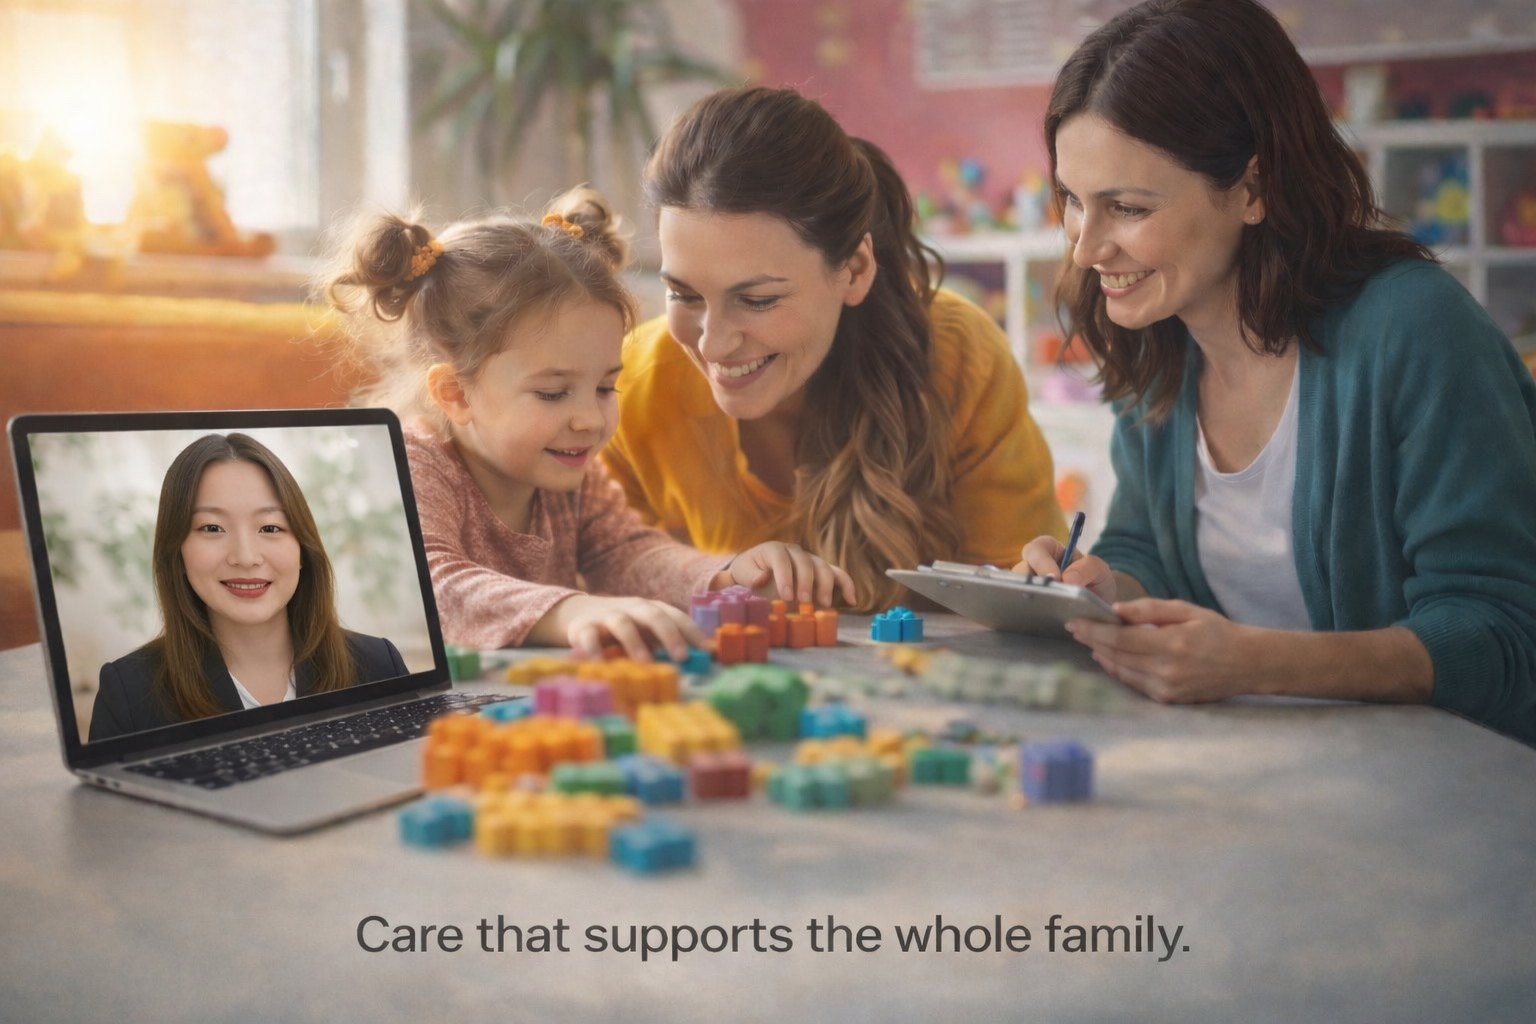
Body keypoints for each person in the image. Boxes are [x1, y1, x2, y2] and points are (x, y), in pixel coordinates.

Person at [1013, 0, 1536, 744]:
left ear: (1254, 189)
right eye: (1071, 200)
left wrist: (1258, 662)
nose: (1085, 247)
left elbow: (1501, 636)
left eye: (1126, 207)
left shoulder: (1415, 329)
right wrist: (1101, 588)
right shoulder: (1159, 338)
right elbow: (1146, 551)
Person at [321, 188, 854, 660]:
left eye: (605, 387)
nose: (590, 419)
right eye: (553, 393)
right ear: (456, 394)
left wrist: (727, 577)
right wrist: (571, 613)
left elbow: (625, 553)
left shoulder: (566, 469)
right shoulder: (411, 465)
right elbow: (428, 585)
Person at [601, 85, 1066, 612]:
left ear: (855, 270)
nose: (712, 343)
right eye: (683, 294)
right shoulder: (629, 382)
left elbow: (1021, 600)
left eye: (756, 300)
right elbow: (591, 574)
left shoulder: (959, 356)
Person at [90, 433, 406, 741]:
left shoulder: (379, 666)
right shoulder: (129, 694)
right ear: (178, 553)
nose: (245, 557)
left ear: (302, 550)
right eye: (211, 528)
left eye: (270, 527)